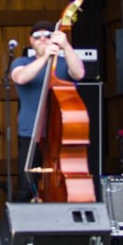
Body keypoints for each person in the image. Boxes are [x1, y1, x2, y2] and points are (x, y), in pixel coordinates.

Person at [10, 19, 85, 201]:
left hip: (59, 136)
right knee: (27, 186)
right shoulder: (22, 61)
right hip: (31, 134)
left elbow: (79, 74)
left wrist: (66, 46)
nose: (42, 39)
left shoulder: (63, 62)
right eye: (37, 36)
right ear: (31, 41)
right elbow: (20, 78)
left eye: (48, 36)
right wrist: (44, 58)